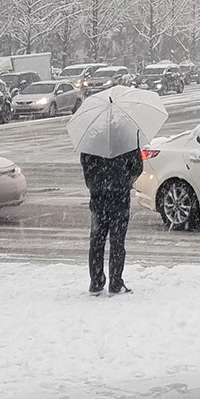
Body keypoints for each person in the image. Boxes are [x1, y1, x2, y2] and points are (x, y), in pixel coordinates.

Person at [79, 113, 143, 296]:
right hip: (120, 199)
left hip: (98, 198)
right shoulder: (128, 140)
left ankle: (96, 282)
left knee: (97, 241)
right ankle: (116, 283)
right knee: (117, 242)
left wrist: (94, 185)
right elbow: (138, 167)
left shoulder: (91, 141)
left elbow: (85, 164)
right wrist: (125, 181)